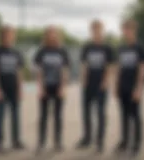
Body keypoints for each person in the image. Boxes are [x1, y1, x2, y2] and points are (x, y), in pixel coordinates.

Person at [77, 20, 114, 152]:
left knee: (100, 113)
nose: (96, 32)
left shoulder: (107, 48)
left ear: (102, 30)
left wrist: (105, 81)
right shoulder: (87, 47)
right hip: (88, 85)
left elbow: (110, 66)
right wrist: (83, 79)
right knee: (86, 112)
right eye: (93, 30)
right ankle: (87, 138)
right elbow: (84, 65)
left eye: (98, 29)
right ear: (91, 31)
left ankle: (100, 142)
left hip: (101, 85)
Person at [34, 25, 70, 153]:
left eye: (54, 33)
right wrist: (40, 88)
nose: (52, 35)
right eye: (49, 33)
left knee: (58, 116)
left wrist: (63, 87)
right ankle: (41, 143)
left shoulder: (62, 51)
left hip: (58, 87)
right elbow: (39, 70)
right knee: (43, 116)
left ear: (57, 35)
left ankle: (57, 142)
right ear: (46, 35)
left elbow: (65, 70)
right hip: (45, 87)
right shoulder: (42, 51)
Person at [0, 26, 24, 153]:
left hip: (14, 89)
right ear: (3, 36)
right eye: (8, 34)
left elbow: (19, 72)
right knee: (0, 117)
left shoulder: (16, 52)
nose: (10, 37)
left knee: (16, 116)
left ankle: (16, 141)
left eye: (12, 34)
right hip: (2, 89)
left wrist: (20, 89)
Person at [115, 19, 144, 154]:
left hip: (134, 88)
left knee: (135, 115)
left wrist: (139, 89)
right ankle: (125, 141)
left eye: (129, 29)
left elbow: (142, 69)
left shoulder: (140, 48)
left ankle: (136, 144)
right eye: (125, 29)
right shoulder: (121, 48)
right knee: (124, 115)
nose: (127, 32)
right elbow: (119, 68)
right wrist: (116, 86)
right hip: (123, 86)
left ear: (134, 31)